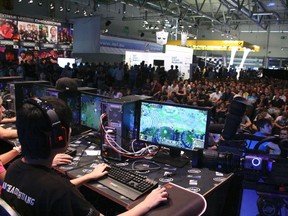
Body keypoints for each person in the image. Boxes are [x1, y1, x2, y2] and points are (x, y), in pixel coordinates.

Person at [2, 96, 168, 216]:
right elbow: (58, 193)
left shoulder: (14, 168)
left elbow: (46, 193)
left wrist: (88, 176)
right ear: (61, 135)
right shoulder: (60, 191)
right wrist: (146, 204)